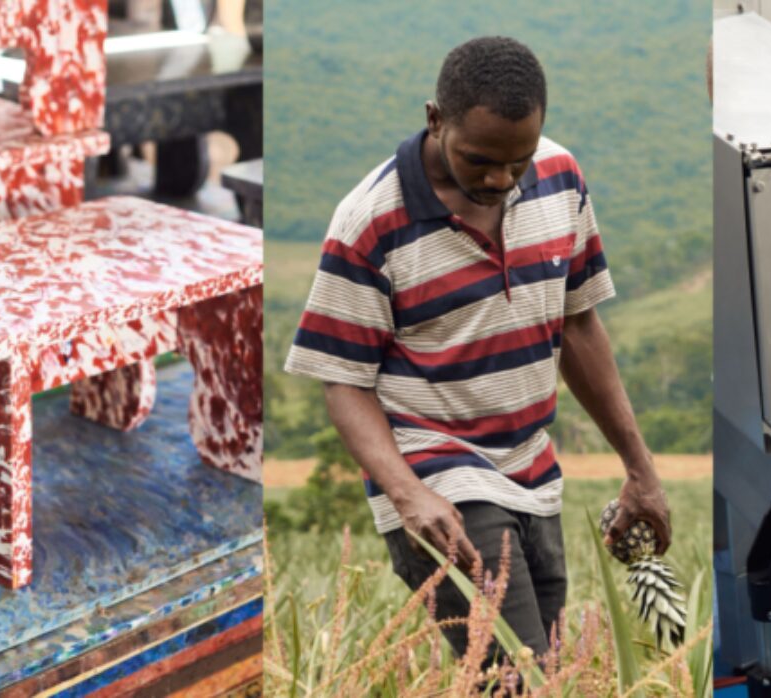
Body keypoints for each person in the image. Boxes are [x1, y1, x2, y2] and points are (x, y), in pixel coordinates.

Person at [283, 36, 671, 661]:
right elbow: (344, 382)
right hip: (438, 474)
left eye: (517, 162)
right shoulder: (369, 223)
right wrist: (409, 496)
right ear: (435, 119)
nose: (500, 179)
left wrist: (640, 469)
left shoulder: (560, 176)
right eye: (480, 159)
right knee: (514, 676)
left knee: (547, 666)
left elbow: (579, 327)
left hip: (533, 470)